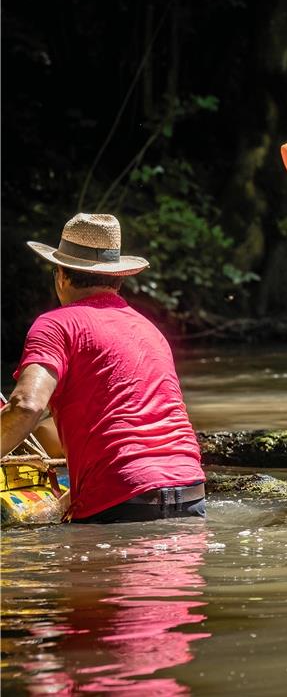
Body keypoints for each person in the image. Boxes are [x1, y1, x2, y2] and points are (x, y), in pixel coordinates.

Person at [1, 213, 206, 523]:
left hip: (124, 496)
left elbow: (26, 405)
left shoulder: (55, 325)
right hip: (190, 493)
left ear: (61, 276)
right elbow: (134, 436)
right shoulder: (150, 330)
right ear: (118, 278)